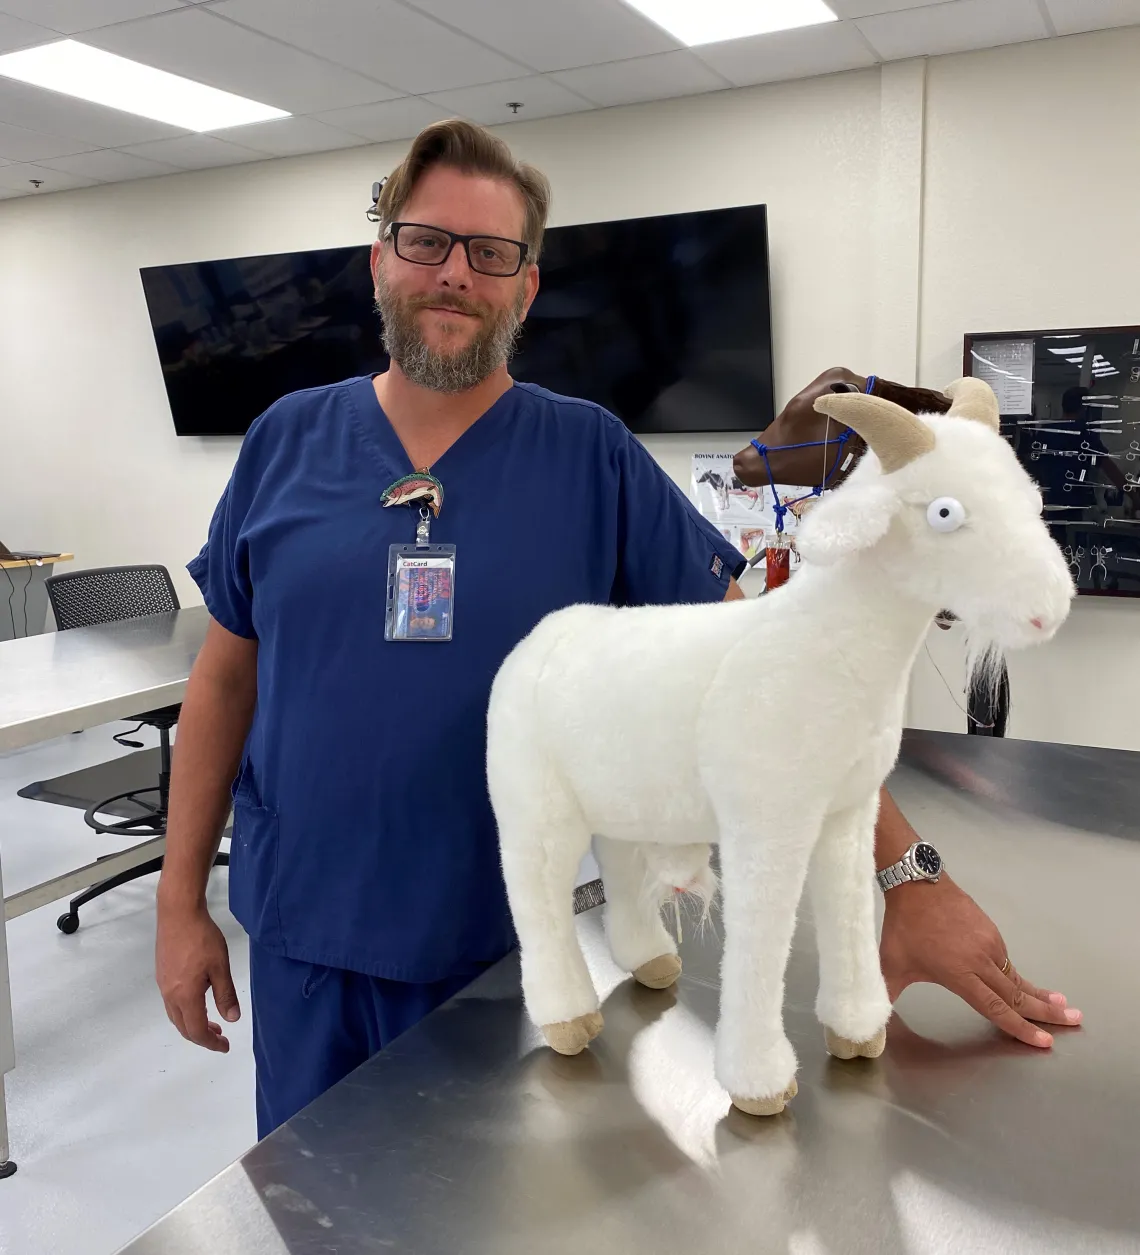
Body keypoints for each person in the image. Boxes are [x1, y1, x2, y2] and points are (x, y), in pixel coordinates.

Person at [155, 120, 1079, 1140]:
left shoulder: (589, 457)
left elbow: (784, 676)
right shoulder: (286, 439)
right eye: (426, 241)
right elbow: (226, 677)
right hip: (307, 933)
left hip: (506, 953)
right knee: (309, 1198)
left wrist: (907, 874)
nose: (455, 273)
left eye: (491, 252)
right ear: (381, 259)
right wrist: (177, 898)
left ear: (527, 286)